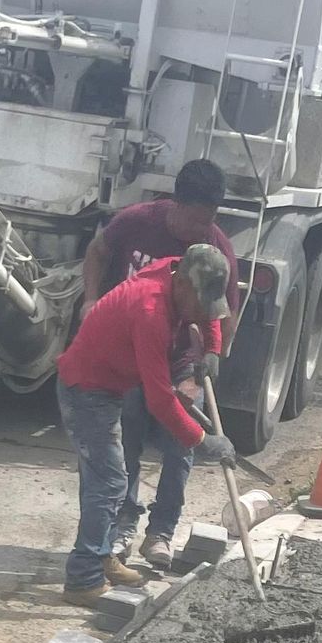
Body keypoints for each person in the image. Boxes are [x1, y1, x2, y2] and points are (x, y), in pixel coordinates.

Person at [81, 160, 239, 567]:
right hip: (131, 357)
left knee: (179, 445)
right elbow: (97, 252)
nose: (202, 230)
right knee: (127, 440)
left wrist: (208, 361)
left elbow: (220, 313)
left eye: (211, 220)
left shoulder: (214, 247)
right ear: (176, 203)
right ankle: (123, 524)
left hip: (181, 358)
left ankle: (162, 532)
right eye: (196, 220)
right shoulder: (136, 223)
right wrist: (90, 299)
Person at [54, 244, 233, 604]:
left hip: (109, 384)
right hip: (86, 389)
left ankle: (101, 556)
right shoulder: (150, 311)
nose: (201, 312)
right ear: (182, 286)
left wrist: (212, 348)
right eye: (197, 304)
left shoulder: (177, 271)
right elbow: (159, 399)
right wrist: (201, 440)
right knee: (108, 483)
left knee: (106, 481)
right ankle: (83, 579)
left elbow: (206, 310)